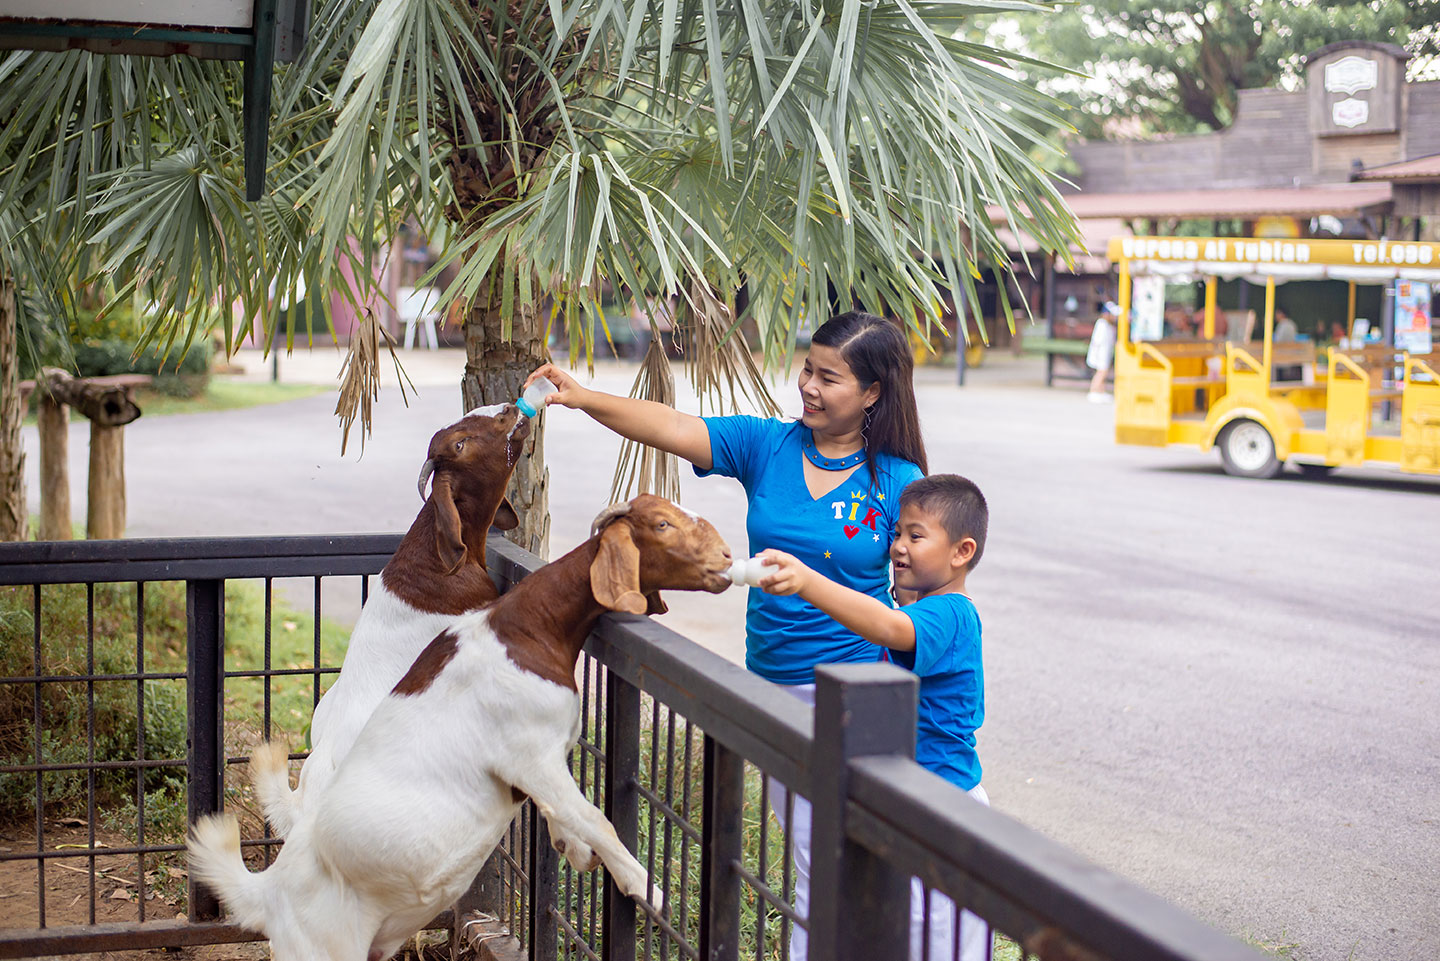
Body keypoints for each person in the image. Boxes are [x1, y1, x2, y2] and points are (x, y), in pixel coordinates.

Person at [524, 310, 927, 956]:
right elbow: (675, 426)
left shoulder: (900, 482)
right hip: (771, 689)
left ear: (873, 393)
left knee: (815, 856)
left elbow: (924, 594)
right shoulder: (768, 446)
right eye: (807, 367)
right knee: (816, 849)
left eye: (830, 376)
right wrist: (581, 396)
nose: (809, 385)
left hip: (856, 695)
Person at [758, 474, 991, 961]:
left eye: (916, 536)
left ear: (961, 552)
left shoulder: (951, 614)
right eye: (898, 533)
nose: (898, 547)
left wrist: (807, 581)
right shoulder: (922, 606)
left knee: (943, 942)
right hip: (908, 798)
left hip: (944, 803)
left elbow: (888, 626)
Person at [1086, 302, 1119, 403]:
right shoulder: (1102, 324)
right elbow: (1098, 341)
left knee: (1102, 371)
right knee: (1101, 372)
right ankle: (1094, 391)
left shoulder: (1109, 325)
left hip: (1105, 352)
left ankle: (1100, 391)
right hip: (1100, 353)